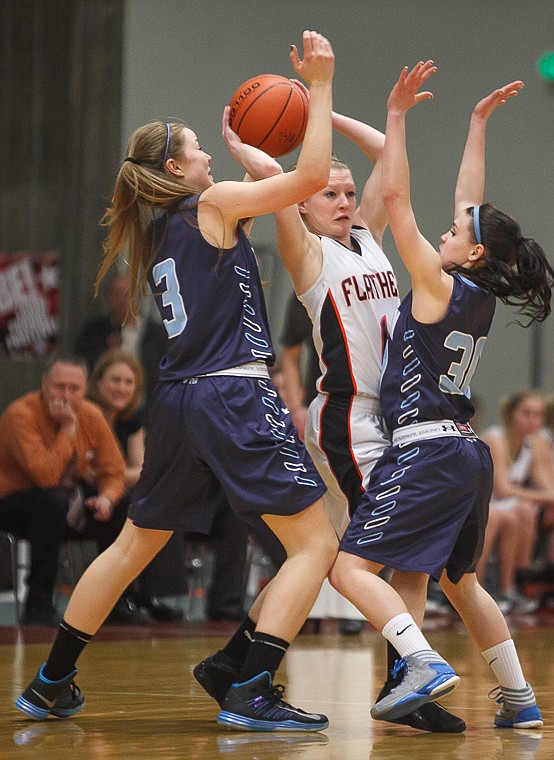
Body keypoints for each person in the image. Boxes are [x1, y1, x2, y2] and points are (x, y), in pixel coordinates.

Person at [16, 31, 338, 732]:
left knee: (138, 540)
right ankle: (249, 687)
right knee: (316, 546)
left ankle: (51, 679)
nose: (207, 156)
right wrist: (319, 84)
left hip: (179, 399)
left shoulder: (158, 230)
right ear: (174, 164)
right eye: (196, 148)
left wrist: (255, 157)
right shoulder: (214, 203)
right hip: (233, 395)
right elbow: (311, 181)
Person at [223, 72, 461, 731]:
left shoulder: (369, 238)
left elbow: (389, 160)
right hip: (349, 421)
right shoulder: (308, 255)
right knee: (367, 553)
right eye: (329, 192)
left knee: (365, 553)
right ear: (303, 203)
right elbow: (284, 179)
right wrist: (260, 144)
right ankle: (403, 672)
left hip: (394, 420)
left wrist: (351, 118)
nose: (344, 201)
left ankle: (238, 664)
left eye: (349, 192)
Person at [329, 61, 551, 728]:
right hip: (468, 456)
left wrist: (395, 118)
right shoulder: (476, 292)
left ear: (471, 254)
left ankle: (422, 660)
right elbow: (469, 204)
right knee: (462, 581)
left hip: (426, 451)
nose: (448, 231)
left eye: (457, 234)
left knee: (347, 571)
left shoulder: (437, 285)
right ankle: (519, 699)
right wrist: (476, 124)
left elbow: (396, 201)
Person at [0, 356, 125, 625]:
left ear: (85, 389)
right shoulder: (19, 414)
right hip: (13, 502)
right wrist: (68, 428)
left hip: (64, 503)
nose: (66, 395)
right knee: (52, 501)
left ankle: (116, 603)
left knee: (123, 505)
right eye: (59, 386)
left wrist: (107, 497)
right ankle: (38, 604)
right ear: (44, 384)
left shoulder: (92, 414)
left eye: (74, 388)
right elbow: (46, 477)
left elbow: (114, 472)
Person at [279, 293, 366, 636]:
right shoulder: (307, 287)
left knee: (351, 509)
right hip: (324, 404)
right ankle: (311, 605)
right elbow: (289, 353)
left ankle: (352, 607)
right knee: (320, 511)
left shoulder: (368, 275)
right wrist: (294, 406)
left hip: (362, 406)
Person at [87, 348, 186, 622]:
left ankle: (150, 596)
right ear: (98, 383)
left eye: (128, 382)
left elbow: (141, 469)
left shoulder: (131, 420)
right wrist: (118, 474)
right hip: (88, 494)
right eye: (115, 380)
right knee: (131, 505)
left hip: (117, 490)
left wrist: (116, 473)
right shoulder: (89, 413)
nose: (122, 387)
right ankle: (118, 599)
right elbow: (88, 471)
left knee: (160, 502)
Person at [476, 390, 554, 613]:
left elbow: (545, 486)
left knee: (523, 510)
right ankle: (477, 589)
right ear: (510, 414)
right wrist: (543, 498)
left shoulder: (532, 445)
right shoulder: (496, 439)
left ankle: (512, 587)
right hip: (475, 506)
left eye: (538, 415)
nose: (533, 420)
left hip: (501, 509)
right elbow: (503, 490)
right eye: (526, 413)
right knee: (514, 512)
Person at [75, 272, 168, 409]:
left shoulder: (156, 333)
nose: (122, 300)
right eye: (116, 294)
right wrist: (107, 351)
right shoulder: (95, 331)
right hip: (103, 407)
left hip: (147, 408)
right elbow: (83, 366)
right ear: (107, 298)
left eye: (127, 294)